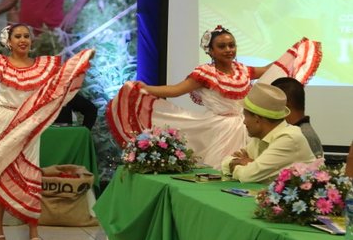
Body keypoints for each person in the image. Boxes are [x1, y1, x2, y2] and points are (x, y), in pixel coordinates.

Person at [0, 21, 94, 240]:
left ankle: (33, 232)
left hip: (30, 126)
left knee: (30, 175)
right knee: (1, 175)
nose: (23, 40)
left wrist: (82, 59)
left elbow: (65, 76)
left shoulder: (43, 66)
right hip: (3, 123)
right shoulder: (0, 63)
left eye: (26, 35)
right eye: (18, 36)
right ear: (9, 41)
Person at [107, 25, 321, 167]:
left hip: (247, 127)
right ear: (210, 50)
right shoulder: (204, 73)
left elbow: (270, 70)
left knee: (250, 165)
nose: (229, 50)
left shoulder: (243, 69)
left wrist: (293, 54)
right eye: (222, 46)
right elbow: (175, 90)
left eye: (231, 45)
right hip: (219, 129)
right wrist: (146, 88)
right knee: (220, 168)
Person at [220, 83, 315, 183]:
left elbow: (247, 176)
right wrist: (240, 163)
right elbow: (225, 163)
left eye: (245, 116)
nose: (244, 122)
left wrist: (245, 166)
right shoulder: (260, 136)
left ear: (257, 120)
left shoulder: (288, 139)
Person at [270, 77, 323, 157]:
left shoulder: (305, 136)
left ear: (285, 103)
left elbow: (314, 169)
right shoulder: (292, 133)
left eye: (271, 101)